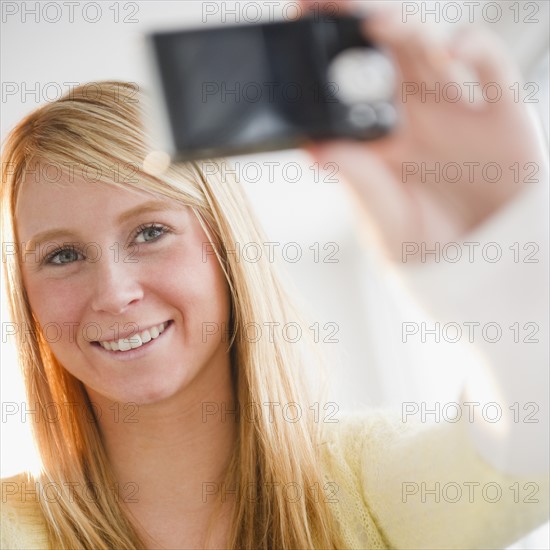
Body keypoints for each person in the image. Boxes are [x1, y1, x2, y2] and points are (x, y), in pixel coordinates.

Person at [1, 4, 548, 550]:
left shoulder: (364, 481)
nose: (115, 293)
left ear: (227, 246)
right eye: (62, 256)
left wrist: (493, 271)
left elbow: (526, 459)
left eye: (149, 233)